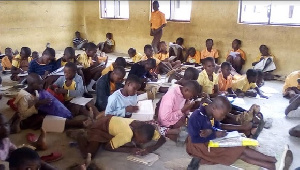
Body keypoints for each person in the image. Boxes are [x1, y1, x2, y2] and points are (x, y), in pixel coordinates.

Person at [186, 96, 277, 170]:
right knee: (237, 151)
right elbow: (195, 138)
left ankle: (270, 161)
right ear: (214, 108)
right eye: (223, 114)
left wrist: (216, 131)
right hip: (198, 145)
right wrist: (214, 134)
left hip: (212, 141)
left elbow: (217, 126)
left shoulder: (212, 113)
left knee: (239, 148)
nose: (224, 117)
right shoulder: (196, 116)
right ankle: (269, 164)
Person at [11, 73, 87, 133]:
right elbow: (24, 114)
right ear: (32, 84)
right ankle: (79, 123)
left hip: (37, 112)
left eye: (41, 83)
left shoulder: (36, 91)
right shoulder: (23, 96)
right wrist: (38, 104)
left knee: (58, 109)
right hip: (27, 119)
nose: (41, 85)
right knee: (47, 120)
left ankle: (79, 118)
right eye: (39, 84)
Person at [69, 115, 166, 159]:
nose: (140, 143)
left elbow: (163, 139)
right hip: (101, 127)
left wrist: (151, 148)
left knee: (131, 145)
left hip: (113, 121)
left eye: (143, 142)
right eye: (139, 140)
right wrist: (129, 150)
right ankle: (80, 135)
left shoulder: (146, 128)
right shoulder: (126, 135)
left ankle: (87, 127)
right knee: (88, 155)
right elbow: (107, 147)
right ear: (135, 132)